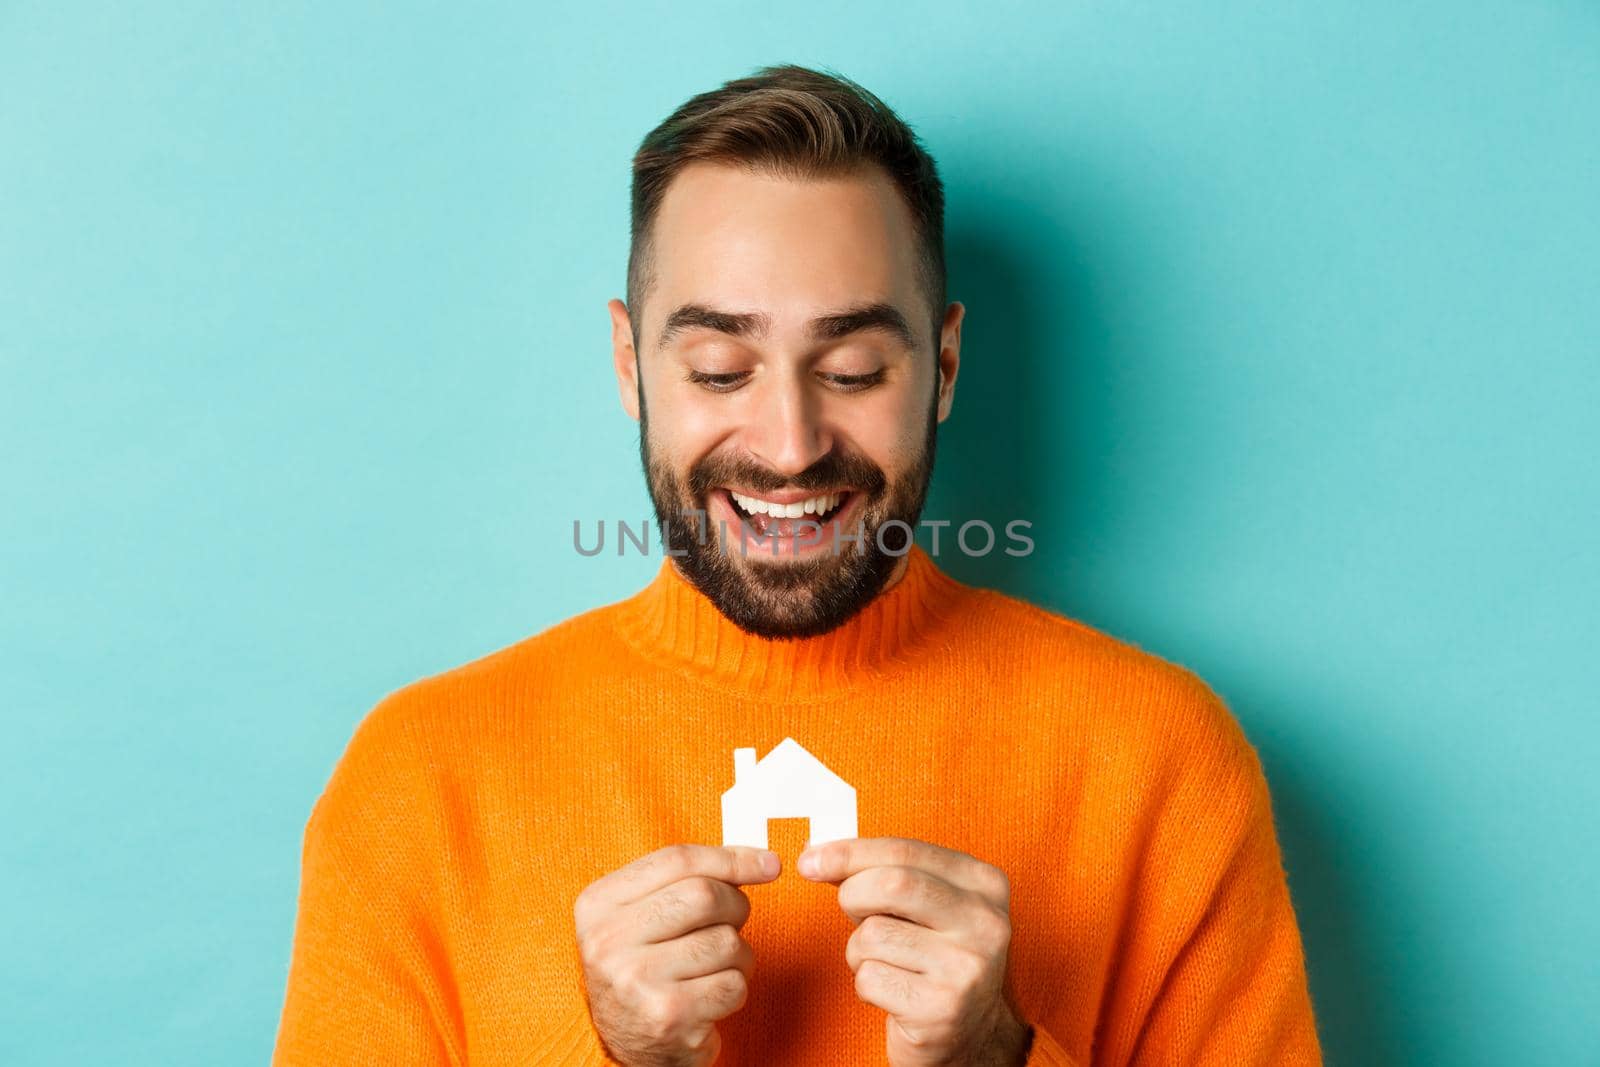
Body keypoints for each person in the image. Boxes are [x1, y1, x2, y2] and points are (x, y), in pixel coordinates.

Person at [272, 63, 1323, 1066]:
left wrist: (998, 1055)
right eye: (721, 369)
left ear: (943, 367)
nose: (787, 442)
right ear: (630, 365)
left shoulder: (1159, 760)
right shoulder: (419, 779)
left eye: (852, 368)